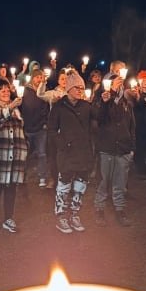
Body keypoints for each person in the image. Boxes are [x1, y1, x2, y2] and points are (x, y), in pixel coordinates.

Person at [47, 70, 93, 233]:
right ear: (69, 89)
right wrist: (63, 144)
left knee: (80, 186)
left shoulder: (87, 106)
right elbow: (51, 130)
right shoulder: (59, 107)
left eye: (82, 87)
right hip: (66, 154)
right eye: (77, 87)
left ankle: (74, 214)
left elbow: (97, 122)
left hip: (84, 153)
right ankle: (61, 216)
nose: (80, 90)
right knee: (64, 186)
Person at [0, 77, 28, 234]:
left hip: (14, 156)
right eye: (2, 90)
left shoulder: (16, 110)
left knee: (11, 189)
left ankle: (8, 218)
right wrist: (10, 107)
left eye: (7, 90)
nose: (6, 92)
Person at [92, 70, 135, 227]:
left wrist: (132, 147)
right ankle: (99, 209)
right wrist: (106, 100)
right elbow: (99, 118)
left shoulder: (126, 103)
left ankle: (120, 210)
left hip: (123, 148)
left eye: (120, 82)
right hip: (107, 148)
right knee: (103, 181)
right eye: (115, 82)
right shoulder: (101, 100)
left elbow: (131, 126)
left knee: (120, 182)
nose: (119, 84)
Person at [19, 69, 50, 187]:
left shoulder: (44, 92)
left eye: (42, 77)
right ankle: (22, 175)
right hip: (27, 127)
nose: (40, 80)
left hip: (41, 128)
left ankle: (42, 176)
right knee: (25, 154)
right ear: (33, 78)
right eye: (38, 77)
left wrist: (45, 122)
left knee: (42, 153)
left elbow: (47, 108)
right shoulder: (25, 91)